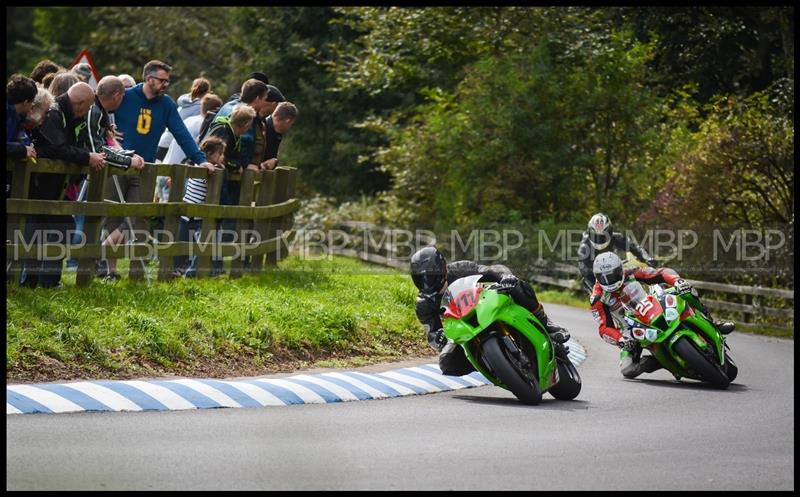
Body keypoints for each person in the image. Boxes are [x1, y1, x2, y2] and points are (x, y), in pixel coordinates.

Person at [109, 60, 213, 280]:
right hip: (117, 166)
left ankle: (136, 272)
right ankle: (109, 271)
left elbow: (181, 133)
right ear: (148, 79)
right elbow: (101, 112)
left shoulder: (166, 104)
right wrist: (108, 132)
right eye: (162, 80)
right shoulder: (125, 96)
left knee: (140, 219)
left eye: (168, 81)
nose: (166, 84)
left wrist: (200, 159)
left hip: (145, 169)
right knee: (112, 217)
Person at [410, 246, 570, 376]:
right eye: (420, 279)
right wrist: (437, 337)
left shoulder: (460, 269)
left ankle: (546, 324)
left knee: (517, 285)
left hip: (484, 308)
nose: (426, 283)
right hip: (463, 334)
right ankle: (489, 364)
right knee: (447, 363)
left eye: (430, 277)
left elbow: (492, 271)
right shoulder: (423, 304)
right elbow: (430, 332)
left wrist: (505, 276)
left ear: (443, 268)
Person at [589, 251, 735, 379]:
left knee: (687, 291)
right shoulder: (597, 298)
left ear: (620, 270)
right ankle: (661, 361)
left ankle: (712, 321)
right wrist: (620, 340)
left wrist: (677, 281)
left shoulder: (630, 272)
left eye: (613, 275)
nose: (610, 281)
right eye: (604, 278)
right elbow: (604, 328)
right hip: (629, 327)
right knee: (627, 370)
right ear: (597, 277)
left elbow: (661, 273)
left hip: (653, 304)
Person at [22, 82, 104, 288]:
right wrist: (86, 157)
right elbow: (57, 148)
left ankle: (43, 280)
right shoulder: (55, 113)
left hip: (55, 186)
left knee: (58, 227)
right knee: (37, 230)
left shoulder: (74, 116)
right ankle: (32, 281)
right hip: (39, 184)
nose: (88, 112)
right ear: (80, 103)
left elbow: (79, 143)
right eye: (87, 107)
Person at [171, 135, 226, 278]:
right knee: (191, 244)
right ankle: (180, 269)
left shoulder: (200, 166)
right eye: (219, 154)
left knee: (196, 244)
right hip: (193, 213)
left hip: (192, 212)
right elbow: (211, 187)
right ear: (208, 154)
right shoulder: (206, 170)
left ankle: (189, 270)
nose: (221, 157)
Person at [577, 212, 657, 295]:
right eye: (596, 236)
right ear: (590, 232)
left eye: (604, 236)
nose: (600, 239)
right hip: (596, 277)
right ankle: (598, 302)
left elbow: (636, 248)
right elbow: (583, 270)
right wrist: (600, 273)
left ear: (610, 231)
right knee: (588, 284)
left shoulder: (616, 237)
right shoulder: (584, 247)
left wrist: (647, 258)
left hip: (615, 270)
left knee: (635, 272)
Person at [155, 76, 211, 161]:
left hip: (164, 140)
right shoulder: (200, 107)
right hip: (174, 145)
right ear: (207, 91)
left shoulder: (185, 102)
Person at [6, 74, 38, 199]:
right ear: (25, 102)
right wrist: (23, 150)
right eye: (32, 103)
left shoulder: (17, 117)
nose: (31, 107)